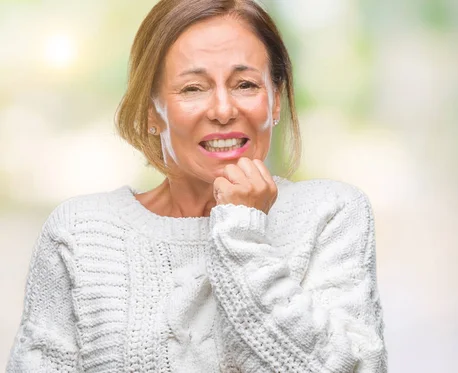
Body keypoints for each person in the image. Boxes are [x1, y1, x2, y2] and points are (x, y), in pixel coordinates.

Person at [6, 0, 387, 371]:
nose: (223, 110)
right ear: (151, 110)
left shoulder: (331, 214)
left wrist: (241, 232)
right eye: (193, 88)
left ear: (274, 102)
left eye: (245, 84)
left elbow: (353, 367)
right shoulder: (79, 234)